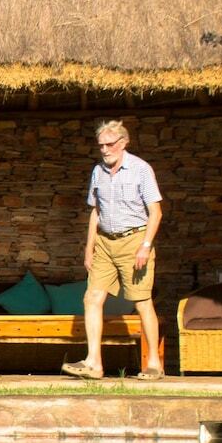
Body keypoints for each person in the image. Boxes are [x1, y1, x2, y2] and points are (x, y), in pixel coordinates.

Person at [62, 120, 164, 380]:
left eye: (110, 145)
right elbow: (96, 211)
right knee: (92, 298)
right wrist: (89, 247)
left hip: (134, 240)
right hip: (105, 243)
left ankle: (154, 363)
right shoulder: (98, 172)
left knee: (141, 302)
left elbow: (155, 212)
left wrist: (145, 246)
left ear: (123, 143)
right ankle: (93, 363)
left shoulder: (141, 169)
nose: (105, 150)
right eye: (101, 146)